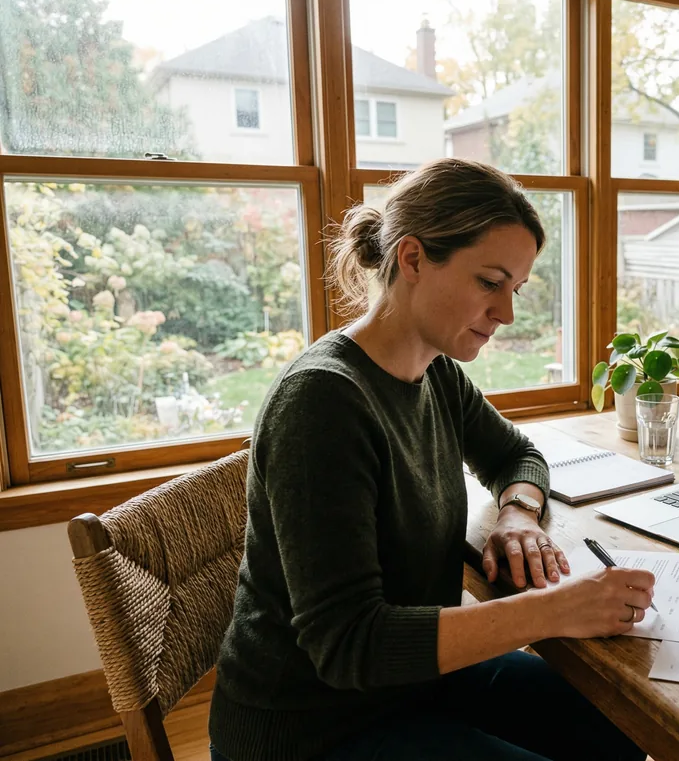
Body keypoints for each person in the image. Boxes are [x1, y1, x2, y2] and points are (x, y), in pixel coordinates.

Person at [208, 158, 654, 761]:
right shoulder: (322, 403)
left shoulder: (434, 371)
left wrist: (519, 514)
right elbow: (350, 646)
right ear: (413, 259)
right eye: (489, 282)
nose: (507, 313)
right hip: (312, 726)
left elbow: (517, 454)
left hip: (411, 684)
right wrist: (556, 610)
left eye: (515, 289)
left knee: (621, 730)